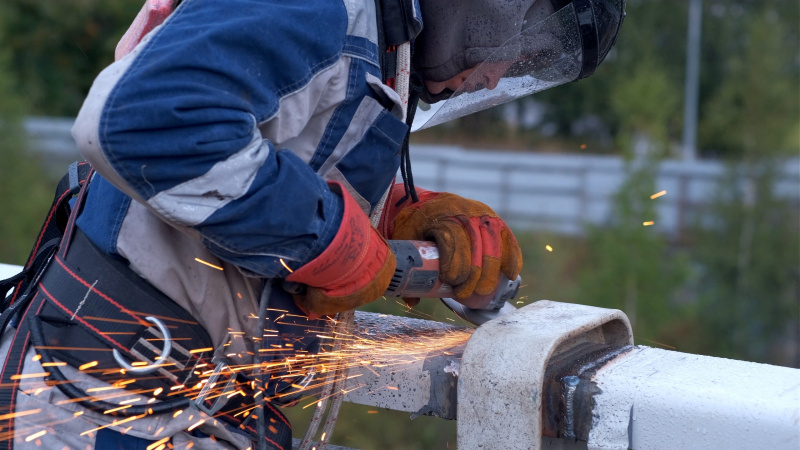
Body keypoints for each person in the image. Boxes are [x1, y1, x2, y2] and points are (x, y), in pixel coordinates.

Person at [0, 0, 625, 448]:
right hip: (103, 407)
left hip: (183, 404)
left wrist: (395, 217)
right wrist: (326, 238)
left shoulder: (381, 32)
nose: (497, 73)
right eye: (515, 34)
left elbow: (262, 157)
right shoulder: (325, 5)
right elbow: (137, 122)